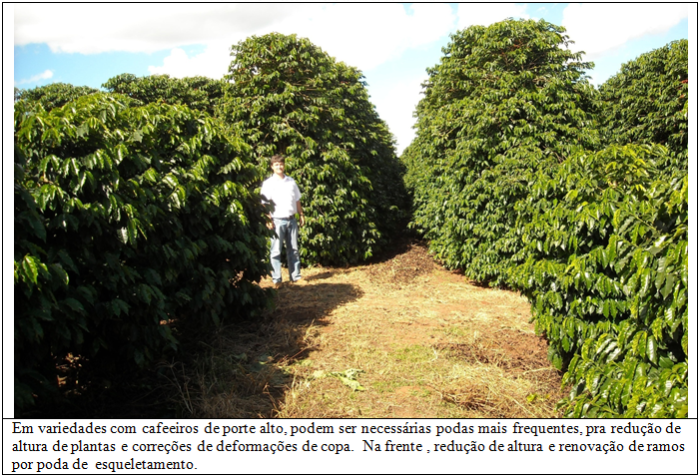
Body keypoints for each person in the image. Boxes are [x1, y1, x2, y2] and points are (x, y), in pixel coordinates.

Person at [260, 154, 305, 286]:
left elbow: (297, 199)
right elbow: (264, 203)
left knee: (294, 250)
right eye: (276, 165)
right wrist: (268, 219)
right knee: (275, 251)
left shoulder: (291, 181)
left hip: (291, 220)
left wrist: (301, 214)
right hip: (276, 220)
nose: (279, 167)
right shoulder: (268, 183)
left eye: (281, 164)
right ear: (272, 167)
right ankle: (277, 279)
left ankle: (295, 277)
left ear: (284, 165)